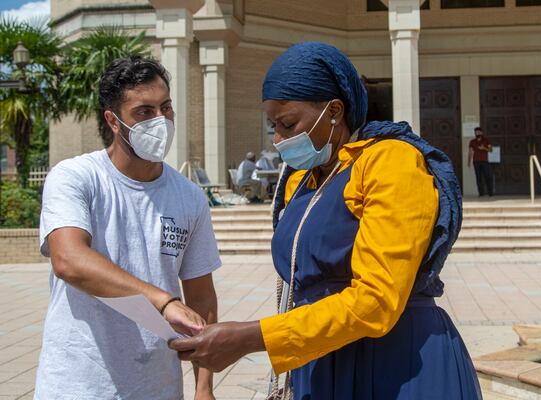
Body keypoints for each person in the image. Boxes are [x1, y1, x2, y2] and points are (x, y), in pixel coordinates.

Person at [170, 42, 481, 399]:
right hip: (320, 356)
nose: (278, 139)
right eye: (273, 125)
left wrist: (252, 337)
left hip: (396, 362)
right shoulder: (305, 180)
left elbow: (376, 301)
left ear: (335, 110)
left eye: (288, 124)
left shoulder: (389, 162)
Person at [35, 56, 221, 400]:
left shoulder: (190, 197)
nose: (161, 121)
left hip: (158, 386)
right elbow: (69, 260)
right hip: (79, 385)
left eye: (166, 108)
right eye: (144, 112)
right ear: (114, 121)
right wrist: (162, 302)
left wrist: (204, 386)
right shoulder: (76, 177)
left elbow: (201, 296)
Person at [468, 127, 494, 197]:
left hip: (484, 161)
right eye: (476, 132)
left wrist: (484, 148)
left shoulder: (486, 140)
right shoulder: (472, 142)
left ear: (481, 133)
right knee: (478, 178)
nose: (477, 133)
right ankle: (481, 193)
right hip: (476, 161)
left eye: (479, 132)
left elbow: (491, 150)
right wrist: (469, 162)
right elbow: (470, 152)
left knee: (487, 177)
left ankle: (490, 193)